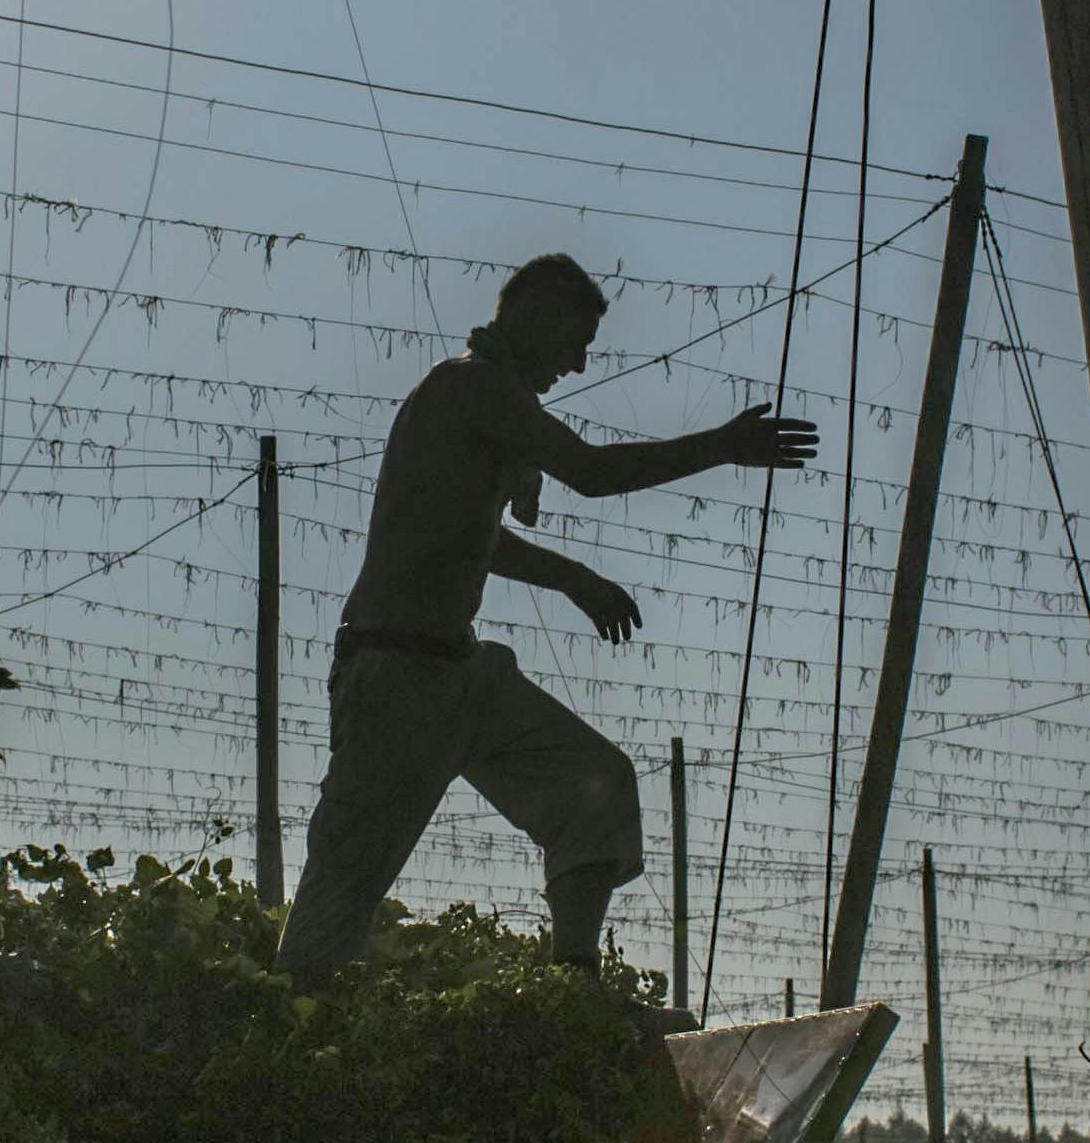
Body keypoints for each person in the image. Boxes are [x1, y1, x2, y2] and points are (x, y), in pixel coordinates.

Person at [273, 254, 817, 996]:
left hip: (459, 674)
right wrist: (720, 446)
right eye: (575, 337)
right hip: (395, 678)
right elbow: (590, 472)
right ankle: (286, 1033)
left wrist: (571, 577)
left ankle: (574, 989)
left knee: (595, 786)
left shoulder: (491, 401)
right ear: (530, 312)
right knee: (339, 896)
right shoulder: (470, 387)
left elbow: (466, 535)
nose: (580, 361)